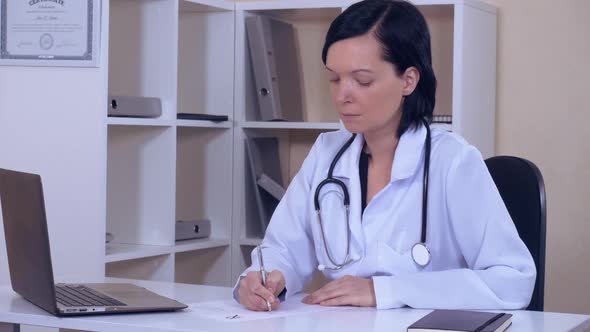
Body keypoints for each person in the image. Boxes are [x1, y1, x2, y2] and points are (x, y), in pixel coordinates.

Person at [235, 0, 536, 311]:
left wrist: (386, 291)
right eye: (334, 79)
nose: (342, 95)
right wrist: (262, 279)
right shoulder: (326, 153)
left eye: (362, 80)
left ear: (408, 80)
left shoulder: (453, 161)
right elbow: (284, 248)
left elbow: (512, 280)